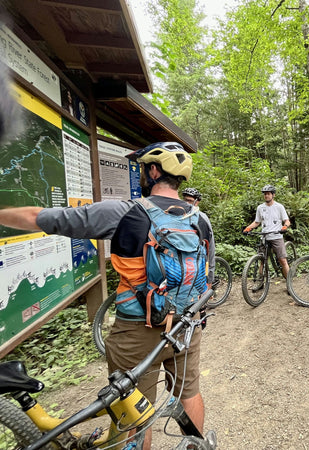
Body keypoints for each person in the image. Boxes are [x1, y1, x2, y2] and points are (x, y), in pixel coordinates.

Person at [0, 142, 215, 447]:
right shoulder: (200, 219)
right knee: (189, 390)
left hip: (137, 331)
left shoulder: (125, 211)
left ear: (153, 171)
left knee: (135, 405)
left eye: (143, 168)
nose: (141, 173)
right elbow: (207, 276)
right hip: (186, 326)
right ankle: (197, 445)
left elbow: (49, 218)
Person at [243, 184, 291, 279]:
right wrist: (247, 228)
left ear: (273, 195)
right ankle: (260, 282)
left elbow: (287, 221)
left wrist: (284, 227)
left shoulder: (279, 207)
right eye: (265, 194)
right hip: (264, 237)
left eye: (268, 194)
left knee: (283, 260)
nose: (266, 196)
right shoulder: (260, 208)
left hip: (277, 236)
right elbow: (257, 222)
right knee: (262, 260)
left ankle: (289, 283)